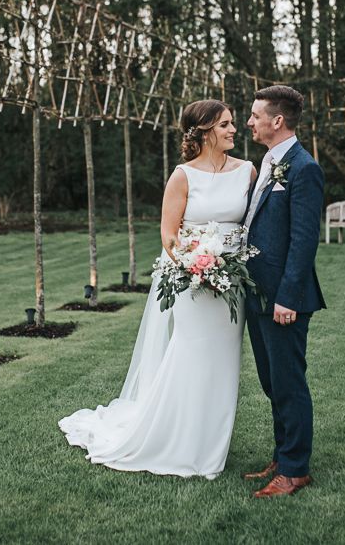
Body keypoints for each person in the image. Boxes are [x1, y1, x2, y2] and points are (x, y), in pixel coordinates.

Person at [59, 99, 256, 478]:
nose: (234, 130)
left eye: (233, 123)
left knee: (224, 364)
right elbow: (168, 235)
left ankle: (211, 448)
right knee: (190, 356)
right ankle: (175, 441)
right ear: (203, 132)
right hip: (193, 283)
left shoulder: (247, 172)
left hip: (231, 284)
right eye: (226, 125)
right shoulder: (182, 176)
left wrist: (227, 266)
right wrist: (196, 264)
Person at [242, 85, 326, 498]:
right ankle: (281, 455)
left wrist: (288, 298)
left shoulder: (303, 168)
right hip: (258, 293)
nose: (249, 121)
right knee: (272, 382)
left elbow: (304, 240)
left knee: (289, 382)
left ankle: (295, 470)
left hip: (283, 299)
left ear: (277, 121)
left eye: (256, 115)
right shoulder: (269, 162)